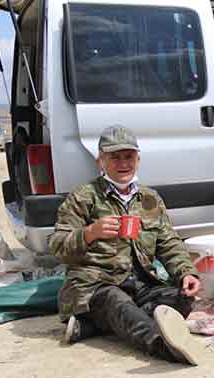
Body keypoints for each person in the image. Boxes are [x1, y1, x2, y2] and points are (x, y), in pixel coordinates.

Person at [49, 125, 203, 365]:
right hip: (98, 286)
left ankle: (95, 325)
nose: (123, 163)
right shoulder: (84, 197)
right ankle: (163, 346)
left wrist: (186, 273)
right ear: (101, 161)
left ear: (138, 160)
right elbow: (57, 247)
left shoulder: (150, 198)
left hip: (141, 285)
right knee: (117, 303)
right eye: (115, 157)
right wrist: (89, 233)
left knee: (183, 299)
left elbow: (169, 242)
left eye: (129, 156)